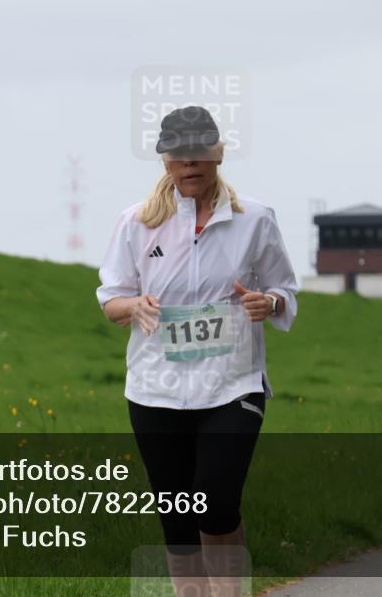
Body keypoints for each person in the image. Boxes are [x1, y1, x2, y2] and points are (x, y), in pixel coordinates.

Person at [96, 105, 298, 597]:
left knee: (214, 502)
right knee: (179, 517)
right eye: (178, 155)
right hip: (155, 388)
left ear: (219, 154)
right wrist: (135, 306)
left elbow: (285, 290)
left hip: (232, 383)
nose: (190, 165)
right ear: (165, 160)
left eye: (199, 154)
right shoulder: (137, 223)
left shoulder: (255, 220)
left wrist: (267, 301)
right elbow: (110, 299)